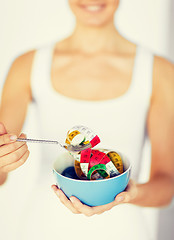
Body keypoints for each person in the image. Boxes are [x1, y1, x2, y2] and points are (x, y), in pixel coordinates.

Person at [0, 0, 174, 239]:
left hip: (124, 232)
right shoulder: (27, 66)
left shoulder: (160, 72)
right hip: (43, 229)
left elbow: (166, 186)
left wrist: (129, 193)